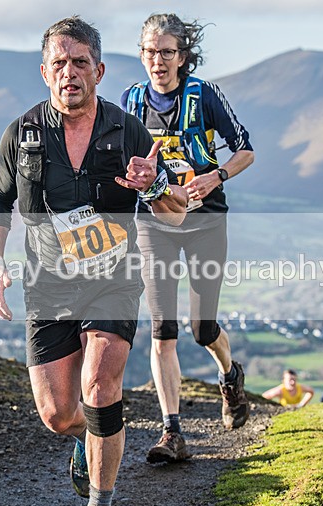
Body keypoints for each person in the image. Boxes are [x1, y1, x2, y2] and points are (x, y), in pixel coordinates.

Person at [0, 16, 187, 506]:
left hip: (112, 279)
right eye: (59, 63)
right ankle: (86, 436)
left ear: (98, 70)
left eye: (79, 62)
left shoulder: (128, 130)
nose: (69, 72)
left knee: (99, 384)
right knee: (57, 414)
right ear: (44, 72)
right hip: (48, 284)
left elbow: (176, 214)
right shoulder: (22, 133)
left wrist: (154, 185)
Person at [120, 13, 254, 463]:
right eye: (150, 51)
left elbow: (246, 150)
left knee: (203, 329)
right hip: (153, 223)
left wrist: (217, 176)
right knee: (162, 330)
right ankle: (172, 432)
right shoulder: (131, 101)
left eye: (167, 52)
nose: (157, 60)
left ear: (183, 55)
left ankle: (229, 375)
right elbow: (122, 159)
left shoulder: (204, 95)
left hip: (205, 222)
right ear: (141, 54)